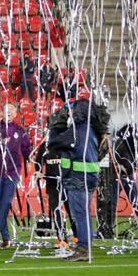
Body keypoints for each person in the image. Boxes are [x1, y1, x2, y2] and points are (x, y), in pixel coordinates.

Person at [46, 88, 109, 262]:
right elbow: (100, 153)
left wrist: (56, 124)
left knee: (80, 214)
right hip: (90, 176)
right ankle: (85, 245)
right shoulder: (95, 131)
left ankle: (83, 248)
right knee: (85, 213)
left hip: (77, 176)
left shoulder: (77, 131)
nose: (70, 113)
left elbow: (52, 143)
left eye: (73, 110)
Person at [0, 103, 31, 247]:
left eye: (11, 111)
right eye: (5, 110)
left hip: (12, 173)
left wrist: (32, 160)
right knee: (0, 204)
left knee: (6, 202)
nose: (8, 113)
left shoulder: (20, 130)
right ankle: (6, 238)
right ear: (0, 112)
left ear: (15, 114)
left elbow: (27, 150)